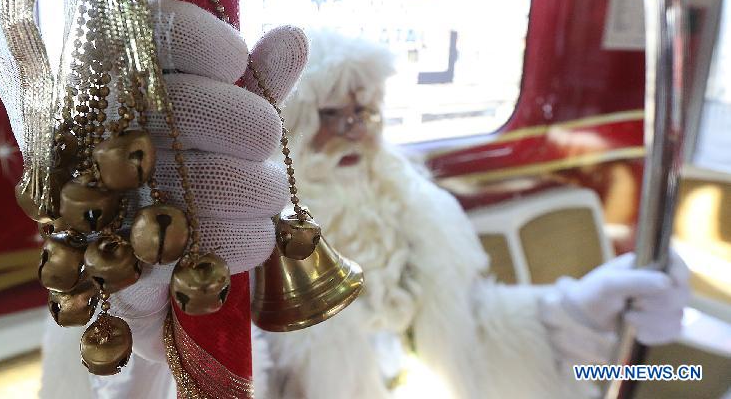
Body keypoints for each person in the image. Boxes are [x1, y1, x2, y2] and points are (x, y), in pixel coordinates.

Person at [256, 30, 690, 399]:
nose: (353, 131)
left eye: (363, 111)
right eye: (329, 116)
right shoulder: (262, 240)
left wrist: (570, 313)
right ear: (294, 126)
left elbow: (476, 323)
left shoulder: (422, 210)